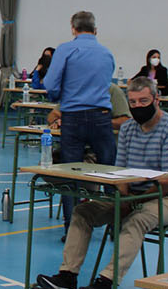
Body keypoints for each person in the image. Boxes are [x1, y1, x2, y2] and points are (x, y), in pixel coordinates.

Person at [34, 76, 168, 289]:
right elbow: (121, 172)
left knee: (136, 219)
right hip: (135, 195)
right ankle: (67, 276)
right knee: (83, 212)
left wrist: (135, 202)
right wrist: (125, 197)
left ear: (156, 99)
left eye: (144, 101)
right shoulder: (128, 128)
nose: (138, 106)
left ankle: (105, 284)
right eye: (134, 102)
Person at [43, 10, 117, 173]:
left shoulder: (65, 49)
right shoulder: (106, 53)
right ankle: (110, 198)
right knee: (109, 169)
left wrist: (57, 97)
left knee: (71, 171)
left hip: (73, 115)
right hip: (101, 115)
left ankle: (72, 198)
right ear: (95, 30)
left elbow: (50, 83)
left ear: (73, 29)